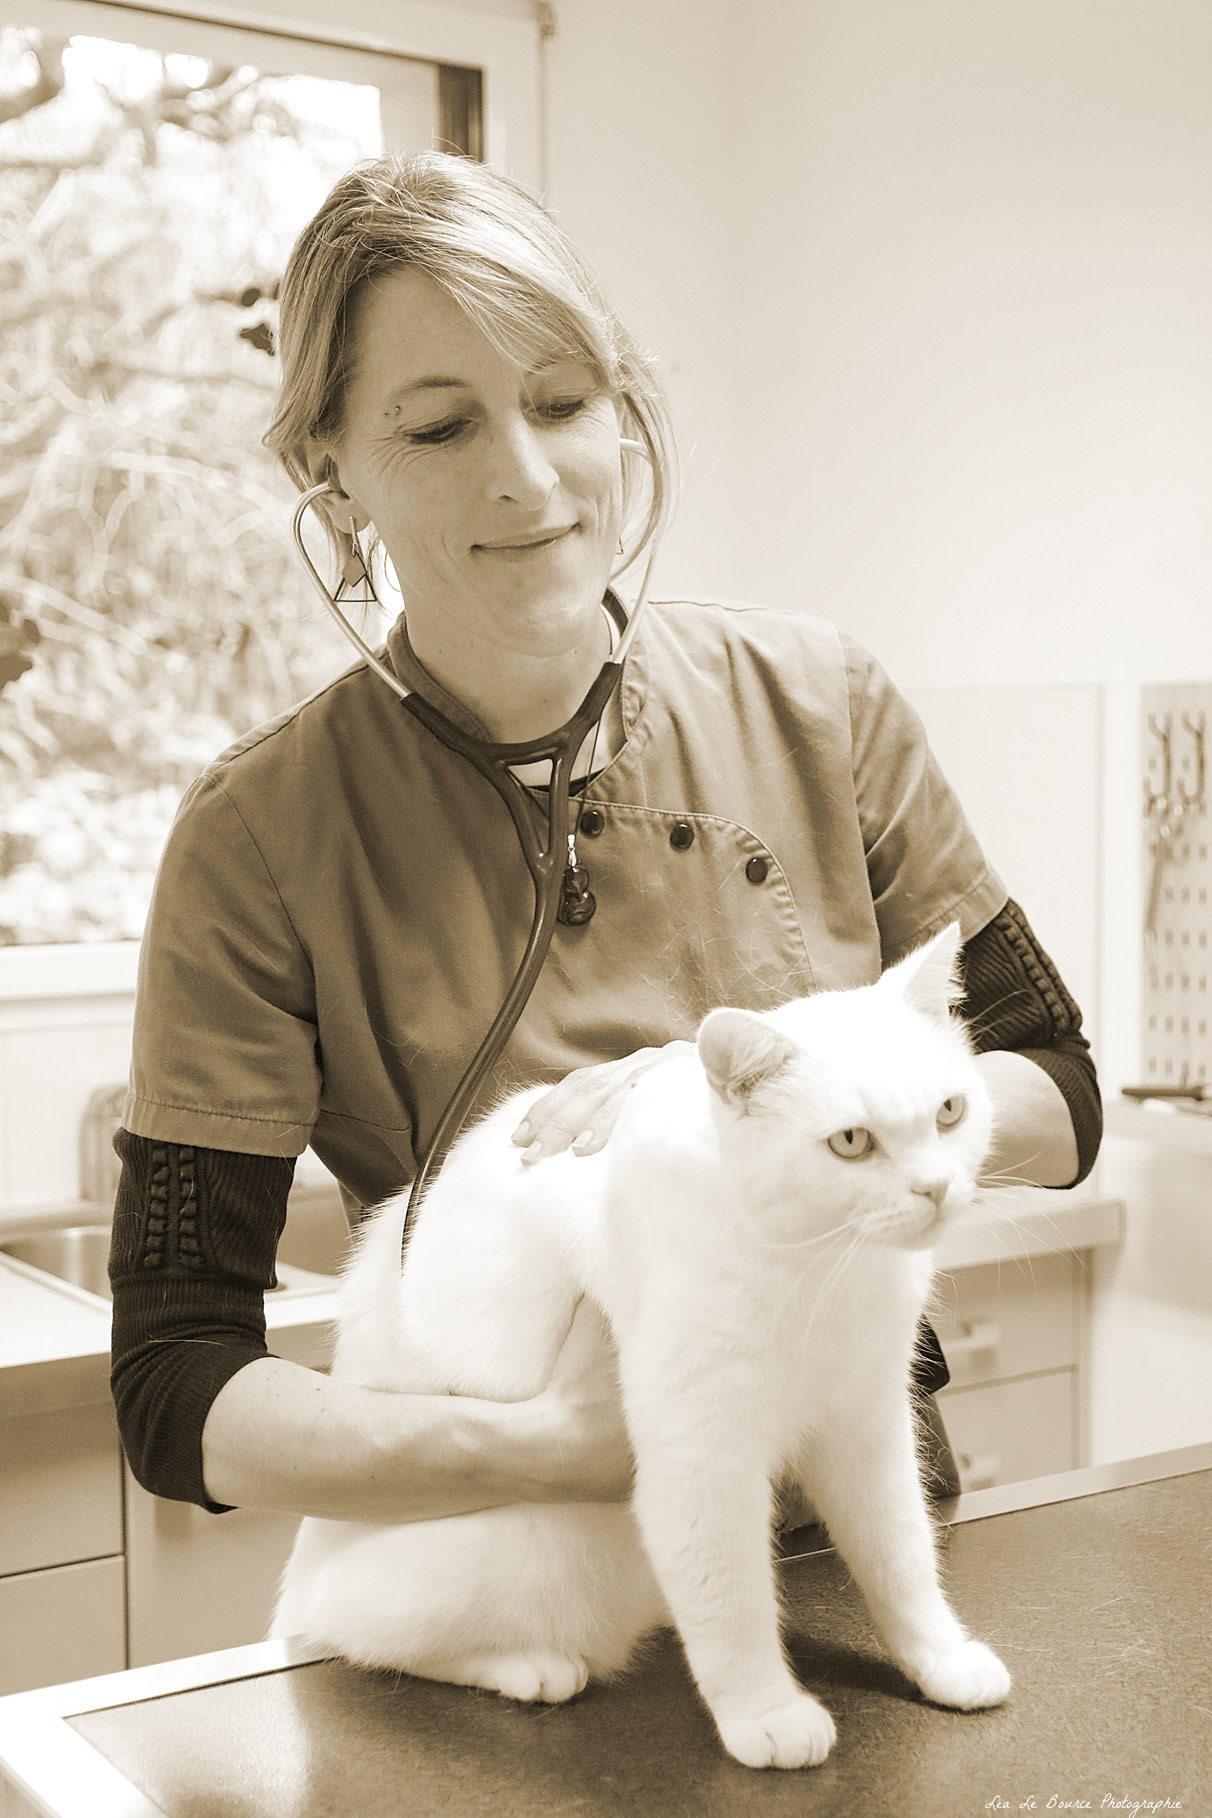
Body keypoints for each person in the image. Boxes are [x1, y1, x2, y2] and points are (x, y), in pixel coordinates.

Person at [109, 150, 1101, 1524]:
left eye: (563, 400)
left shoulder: (820, 703)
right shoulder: (263, 836)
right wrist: (550, 1450)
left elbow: (1061, 1089)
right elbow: (175, 1378)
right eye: (440, 428)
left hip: (848, 1524)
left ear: (622, 409)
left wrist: (705, 1107)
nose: (529, 477)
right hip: (521, 1562)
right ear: (333, 477)